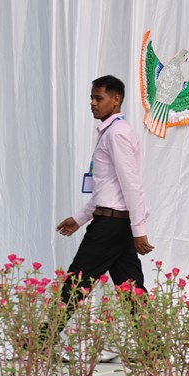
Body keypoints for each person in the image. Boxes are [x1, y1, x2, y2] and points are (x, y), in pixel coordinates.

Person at [56, 75, 154, 301]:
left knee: (75, 284)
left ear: (116, 100)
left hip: (110, 225)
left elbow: (131, 184)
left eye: (98, 98)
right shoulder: (112, 132)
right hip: (117, 224)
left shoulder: (117, 133)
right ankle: (150, 330)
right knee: (132, 292)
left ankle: (48, 327)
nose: (93, 103)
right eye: (91, 98)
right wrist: (80, 218)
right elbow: (108, 189)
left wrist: (139, 230)